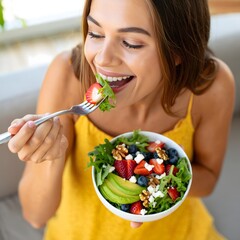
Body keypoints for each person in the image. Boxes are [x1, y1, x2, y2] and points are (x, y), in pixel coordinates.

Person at [7, 0, 235, 239]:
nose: (103, 59)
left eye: (131, 43)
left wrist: (154, 182)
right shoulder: (68, 76)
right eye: (95, 33)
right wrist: (51, 157)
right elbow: (35, 215)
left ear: (178, 50)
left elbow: (207, 180)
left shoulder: (211, 88)